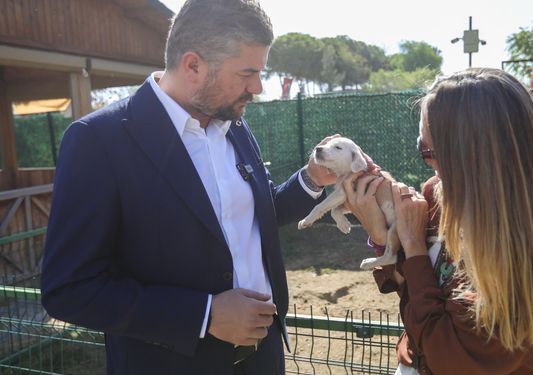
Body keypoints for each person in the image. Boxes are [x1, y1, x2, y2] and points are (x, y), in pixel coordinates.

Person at [40, 1, 342, 373]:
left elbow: (250, 215)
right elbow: (69, 289)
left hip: (262, 359)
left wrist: (312, 179)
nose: (258, 88)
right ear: (193, 65)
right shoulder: (97, 141)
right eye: (247, 73)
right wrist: (205, 315)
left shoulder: (233, 123)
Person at [344, 68, 533, 375]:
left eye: (429, 151)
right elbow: (416, 296)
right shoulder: (440, 196)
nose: (427, 163)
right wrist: (383, 237)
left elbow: (450, 358)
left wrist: (412, 244)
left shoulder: (527, 243)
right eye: (421, 147)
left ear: (473, 156)